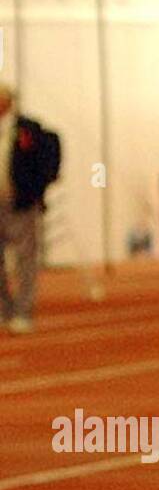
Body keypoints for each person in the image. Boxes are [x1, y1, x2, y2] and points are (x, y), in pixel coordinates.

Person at [0, 82, 61, 333]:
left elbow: (51, 152)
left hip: (20, 203)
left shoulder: (29, 129)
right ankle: (3, 310)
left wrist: (37, 190)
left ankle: (23, 311)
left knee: (26, 259)